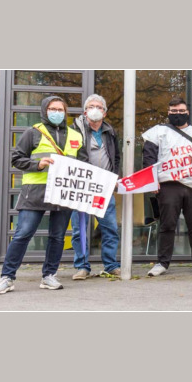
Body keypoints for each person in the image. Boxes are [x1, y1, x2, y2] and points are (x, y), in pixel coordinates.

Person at [0, 96, 87, 295]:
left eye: (61, 109)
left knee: (58, 236)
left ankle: (49, 275)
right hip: (35, 192)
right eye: (53, 108)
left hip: (63, 192)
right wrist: (38, 164)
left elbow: (84, 165)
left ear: (65, 112)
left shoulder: (76, 136)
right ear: (45, 110)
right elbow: (16, 159)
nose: (57, 112)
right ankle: (7, 277)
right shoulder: (32, 132)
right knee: (23, 234)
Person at [141, 97, 192, 277]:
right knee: (167, 225)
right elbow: (148, 159)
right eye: (173, 111)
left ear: (187, 112)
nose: (177, 114)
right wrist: (152, 181)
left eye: (181, 111)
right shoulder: (157, 132)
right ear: (168, 112)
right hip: (168, 185)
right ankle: (162, 263)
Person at [70, 94, 121, 279]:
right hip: (81, 187)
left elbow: (116, 156)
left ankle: (110, 265)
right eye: (91, 106)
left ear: (105, 112)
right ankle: (82, 266)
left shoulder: (110, 131)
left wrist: (115, 175)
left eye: (99, 107)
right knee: (79, 229)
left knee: (110, 228)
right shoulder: (74, 131)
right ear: (85, 111)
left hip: (105, 187)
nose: (95, 109)